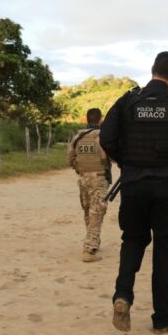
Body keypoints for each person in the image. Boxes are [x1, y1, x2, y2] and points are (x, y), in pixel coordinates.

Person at [100, 51, 168, 334]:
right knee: (164, 250)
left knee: (133, 240)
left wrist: (125, 162)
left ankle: (122, 294)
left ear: (152, 70)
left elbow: (106, 137)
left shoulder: (128, 100)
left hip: (134, 184)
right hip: (167, 187)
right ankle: (162, 318)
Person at [67, 108, 112, 262]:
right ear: (100, 119)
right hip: (98, 178)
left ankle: (91, 240)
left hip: (83, 178)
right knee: (97, 212)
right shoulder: (102, 136)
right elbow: (108, 156)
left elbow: (70, 158)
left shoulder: (78, 137)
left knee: (88, 211)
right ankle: (90, 248)